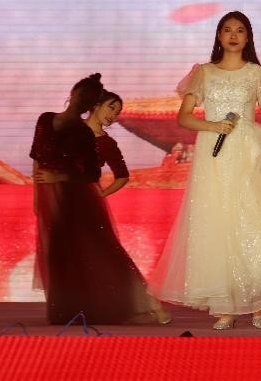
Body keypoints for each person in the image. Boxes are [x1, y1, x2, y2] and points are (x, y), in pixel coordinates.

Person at [147, 11, 261, 330]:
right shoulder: (203, 73)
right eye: (227, 30)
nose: (233, 35)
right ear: (218, 35)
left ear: (248, 37)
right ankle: (225, 305)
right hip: (213, 154)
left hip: (247, 152)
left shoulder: (258, 73)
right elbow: (184, 117)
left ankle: (259, 305)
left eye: (240, 30)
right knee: (216, 222)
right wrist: (214, 125)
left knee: (252, 222)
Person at [31, 79, 169, 325]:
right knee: (66, 256)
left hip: (82, 200)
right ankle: (76, 308)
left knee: (105, 252)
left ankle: (146, 301)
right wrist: (38, 194)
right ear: (95, 105)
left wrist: (98, 195)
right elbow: (40, 158)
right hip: (56, 199)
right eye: (111, 107)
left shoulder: (102, 141)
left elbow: (113, 175)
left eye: (118, 111)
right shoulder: (58, 124)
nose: (114, 115)